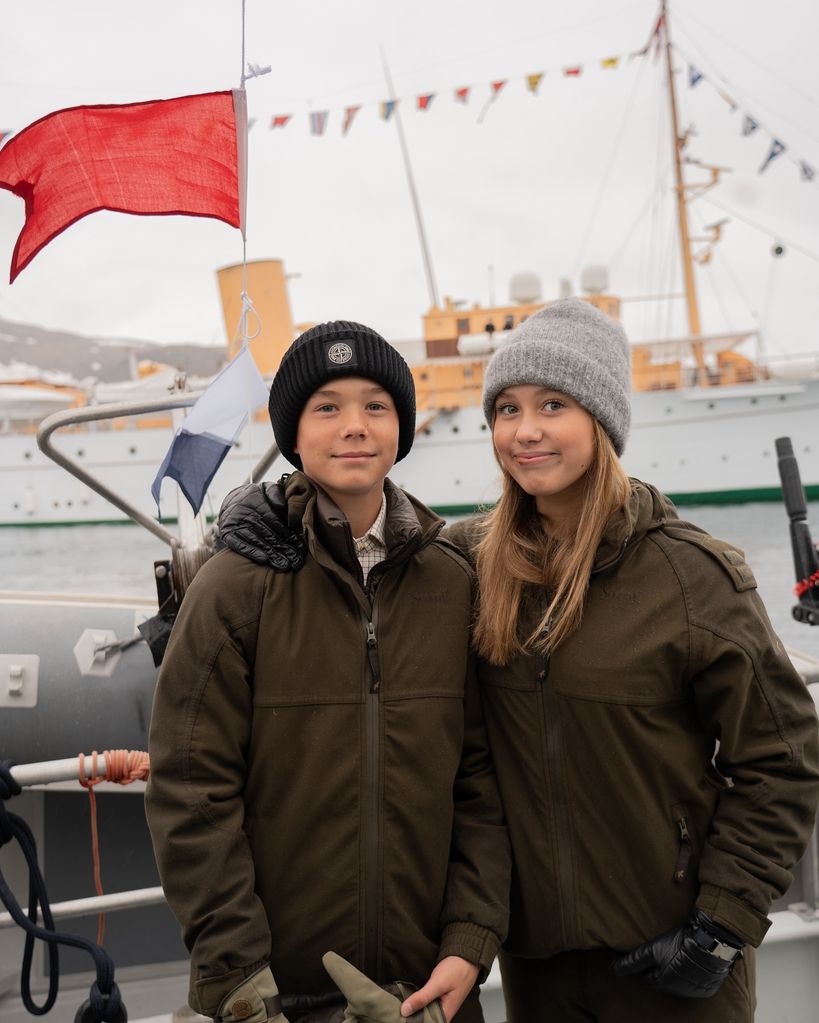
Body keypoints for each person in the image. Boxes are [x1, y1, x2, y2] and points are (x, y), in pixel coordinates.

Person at [445, 298, 819, 1023]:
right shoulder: (466, 565)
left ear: (601, 420)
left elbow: (783, 754)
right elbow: (366, 564)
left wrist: (721, 923)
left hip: (674, 957)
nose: (524, 431)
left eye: (552, 404)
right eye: (507, 408)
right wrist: (271, 515)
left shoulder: (689, 574)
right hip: (537, 968)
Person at [145, 320, 510, 1023]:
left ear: (401, 427)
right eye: (327, 407)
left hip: (428, 993)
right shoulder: (235, 586)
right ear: (292, 433)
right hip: (279, 995)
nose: (355, 426)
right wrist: (238, 979)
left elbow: (479, 778)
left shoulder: (449, 580)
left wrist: (469, 940)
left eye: (376, 405)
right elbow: (192, 789)